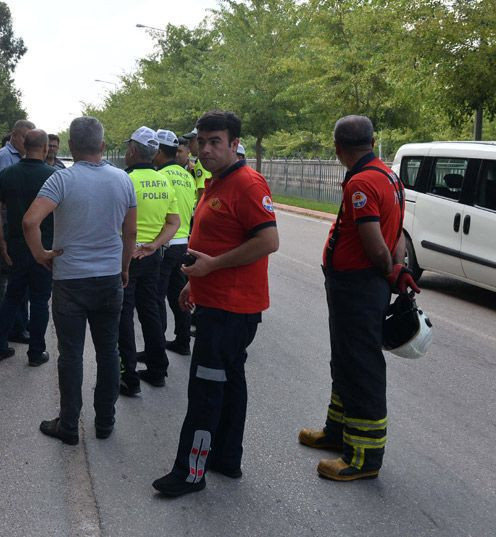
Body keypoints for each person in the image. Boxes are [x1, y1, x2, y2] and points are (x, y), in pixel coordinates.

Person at [152, 111, 279, 497]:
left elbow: (268, 241)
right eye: (201, 142)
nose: (205, 149)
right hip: (216, 303)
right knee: (230, 383)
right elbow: (214, 242)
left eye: (215, 142)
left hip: (232, 310)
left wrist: (212, 268)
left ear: (234, 143)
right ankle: (227, 457)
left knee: (206, 390)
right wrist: (196, 282)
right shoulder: (215, 181)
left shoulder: (247, 184)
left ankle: (191, 472)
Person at [298, 115, 418, 481]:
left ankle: (364, 456)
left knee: (361, 366)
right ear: (372, 140)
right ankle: (338, 433)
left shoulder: (363, 183)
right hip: (359, 284)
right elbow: (396, 231)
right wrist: (397, 269)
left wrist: (389, 269)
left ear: (338, 148)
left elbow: (375, 242)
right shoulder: (388, 176)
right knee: (346, 361)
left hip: (359, 286)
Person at [23, 116, 137, 445]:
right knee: (108, 351)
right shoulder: (122, 180)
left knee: (71, 354)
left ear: (71, 147)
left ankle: (69, 424)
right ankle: (105, 421)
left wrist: (40, 254)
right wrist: (124, 266)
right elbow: (129, 232)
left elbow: (30, 221)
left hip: (70, 280)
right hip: (108, 278)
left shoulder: (61, 180)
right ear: (102, 146)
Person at [119, 126, 180, 396]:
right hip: (152, 256)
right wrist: (154, 245)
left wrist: (129, 252)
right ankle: (157, 370)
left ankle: (128, 376)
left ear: (133, 150)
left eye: (127, 147)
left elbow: (118, 224)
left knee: (124, 316)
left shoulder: (123, 180)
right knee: (150, 312)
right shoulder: (165, 181)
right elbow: (174, 222)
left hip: (127, 257)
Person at [0, 129, 57, 366]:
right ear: (46, 148)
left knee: (12, 297)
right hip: (44, 247)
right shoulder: (54, 175)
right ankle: (36, 353)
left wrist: (2, 242)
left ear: (24, 146)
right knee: (40, 300)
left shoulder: (8, 174)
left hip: (16, 245)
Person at [0, 119, 35, 342]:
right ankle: (8, 327)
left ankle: (15, 324)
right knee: (8, 275)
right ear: (14, 136)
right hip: (5, 226)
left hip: (14, 225)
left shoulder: (19, 157)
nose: (27, 142)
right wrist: (1, 235)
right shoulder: (4, 158)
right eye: (25, 138)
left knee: (15, 275)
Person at [152, 129, 196, 356]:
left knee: (156, 297)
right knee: (178, 294)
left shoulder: (161, 176)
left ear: (159, 151)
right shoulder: (187, 176)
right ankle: (183, 340)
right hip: (183, 244)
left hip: (165, 244)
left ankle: (157, 348)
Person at [183, 127, 212, 203]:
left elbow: (202, 190)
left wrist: (198, 212)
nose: (189, 145)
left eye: (191, 141)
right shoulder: (205, 160)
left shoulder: (201, 163)